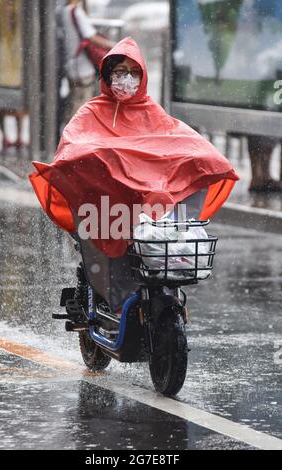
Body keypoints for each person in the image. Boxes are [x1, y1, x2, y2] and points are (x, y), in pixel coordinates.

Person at [30, 37, 239, 310]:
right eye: (119, 72)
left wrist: (204, 159)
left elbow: (176, 139)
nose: (126, 79)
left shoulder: (152, 112)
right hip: (107, 208)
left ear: (143, 76)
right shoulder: (91, 111)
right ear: (107, 76)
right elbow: (74, 146)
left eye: (134, 72)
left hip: (148, 210)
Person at [60, 0, 115, 123]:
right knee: (81, 109)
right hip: (82, 68)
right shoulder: (76, 12)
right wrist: (113, 45)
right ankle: (76, 138)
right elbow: (90, 36)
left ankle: (70, 134)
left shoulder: (64, 11)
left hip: (72, 66)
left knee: (74, 104)